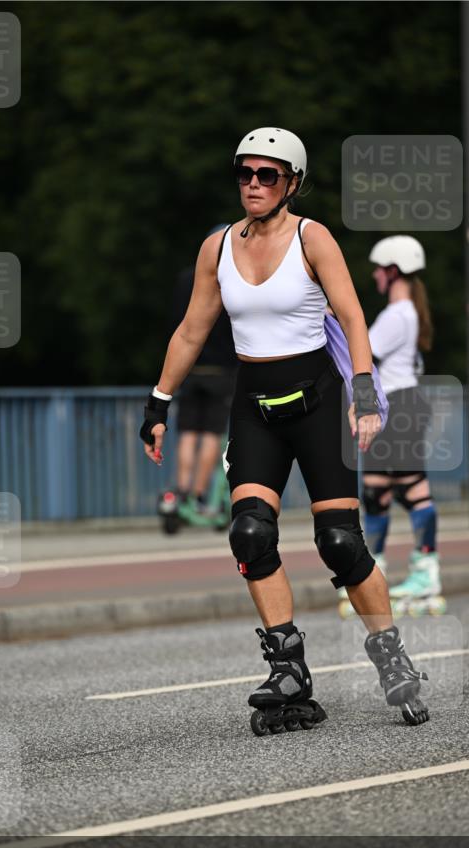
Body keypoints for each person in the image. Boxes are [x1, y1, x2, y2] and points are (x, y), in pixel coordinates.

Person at [140, 127, 429, 731]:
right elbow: (192, 331)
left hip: (319, 402)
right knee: (249, 533)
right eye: (245, 173)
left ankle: (391, 654)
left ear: (291, 182)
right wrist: (159, 402)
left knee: (341, 543)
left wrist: (366, 393)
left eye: (267, 175)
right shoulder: (217, 247)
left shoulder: (311, 237)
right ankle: (289, 669)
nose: (253, 184)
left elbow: (351, 315)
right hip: (255, 404)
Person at [358, 236, 445, 616]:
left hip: (397, 407)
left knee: (395, 491)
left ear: (393, 271)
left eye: (380, 268)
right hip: (404, 405)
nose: (375, 274)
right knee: (393, 490)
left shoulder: (396, 315)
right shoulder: (407, 311)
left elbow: (363, 355)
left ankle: (404, 571)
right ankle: (404, 569)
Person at [167, 226, 237, 520]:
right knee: (211, 434)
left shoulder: (187, 278)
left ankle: (180, 491)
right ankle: (197, 495)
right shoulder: (233, 277)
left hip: (191, 365)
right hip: (221, 368)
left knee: (187, 432)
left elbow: (178, 323)